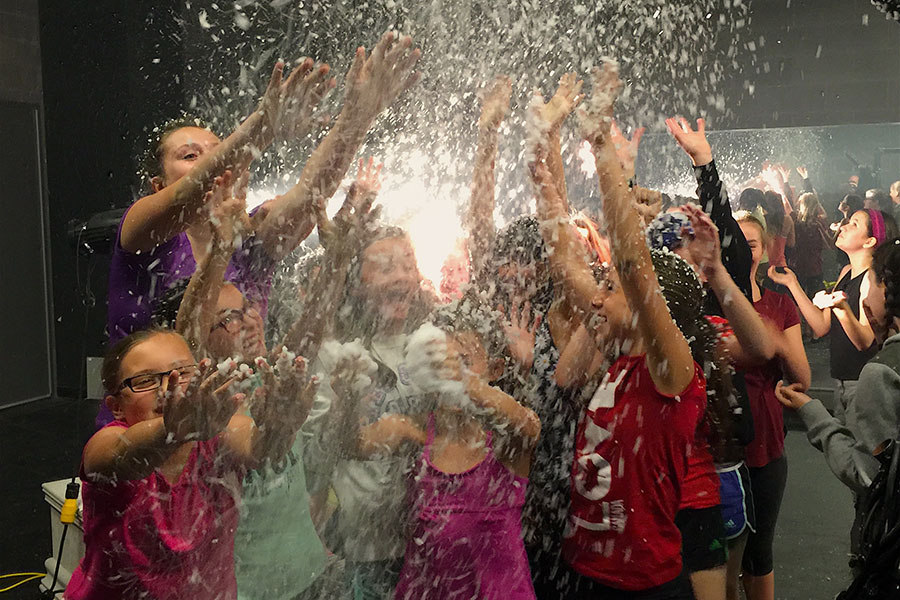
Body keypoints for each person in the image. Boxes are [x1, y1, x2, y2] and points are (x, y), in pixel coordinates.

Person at [101, 32, 421, 427]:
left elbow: (311, 192)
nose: (214, 161)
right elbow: (190, 190)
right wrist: (262, 126)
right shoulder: (141, 234)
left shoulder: (249, 236)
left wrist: (358, 117)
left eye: (218, 149)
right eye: (190, 156)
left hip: (239, 436)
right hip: (145, 441)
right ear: (157, 186)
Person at [533, 61, 708, 599]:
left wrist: (601, 143)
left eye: (611, 287)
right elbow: (564, 257)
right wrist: (544, 145)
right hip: (582, 570)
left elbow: (632, 263)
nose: (598, 292)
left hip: (640, 586)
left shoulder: (672, 372)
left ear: (652, 310)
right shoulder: (614, 351)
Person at [64, 326, 317, 600]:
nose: (166, 390)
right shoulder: (106, 444)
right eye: (145, 381)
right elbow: (123, 456)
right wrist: (173, 431)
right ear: (115, 406)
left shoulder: (216, 435)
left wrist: (280, 427)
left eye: (182, 374)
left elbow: (261, 449)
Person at [300, 220, 435, 599]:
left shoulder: (434, 342)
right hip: (369, 547)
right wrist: (345, 405)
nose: (402, 275)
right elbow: (318, 458)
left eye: (408, 264)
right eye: (387, 266)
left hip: (432, 532)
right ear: (357, 284)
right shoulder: (338, 355)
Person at [390, 295, 540, 599]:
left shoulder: (501, 441)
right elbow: (357, 444)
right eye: (441, 364)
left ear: (495, 369)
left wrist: (465, 382)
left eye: (464, 362)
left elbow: (528, 427)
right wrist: (348, 397)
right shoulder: (416, 431)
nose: (449, 373)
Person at [776, 238, 900, 557]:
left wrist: (814, 413)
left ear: (886, 292)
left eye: (868, 287)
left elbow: (868, 475)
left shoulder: (883, 373)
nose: (863, 296)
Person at [735, 212, 811, 600]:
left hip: (765, 442)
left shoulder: (780, 305)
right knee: (715, 553)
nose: (741, 250)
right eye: (733, 240)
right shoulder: (704, 299)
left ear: (763, 252)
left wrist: (775, 342)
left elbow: (803, 378)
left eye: (750, 244)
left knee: (758, 551)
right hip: (714, 447)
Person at [769, 208, 898, 421]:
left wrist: (841, 308)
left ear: (869, 241)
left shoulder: (871, 279)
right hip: (841, 381)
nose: (844, 226)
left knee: (859, 451)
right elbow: (821, 326)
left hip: (863, 383)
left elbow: (865, 340)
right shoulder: (846, 272)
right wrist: (792, 284)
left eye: (855, 224)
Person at [790, 192, 830, 298]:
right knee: (815, 299)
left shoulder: (794, 222)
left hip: (798, 265)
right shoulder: (819, 223)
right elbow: (828, 245)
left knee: (799, 298)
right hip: (814, 267)